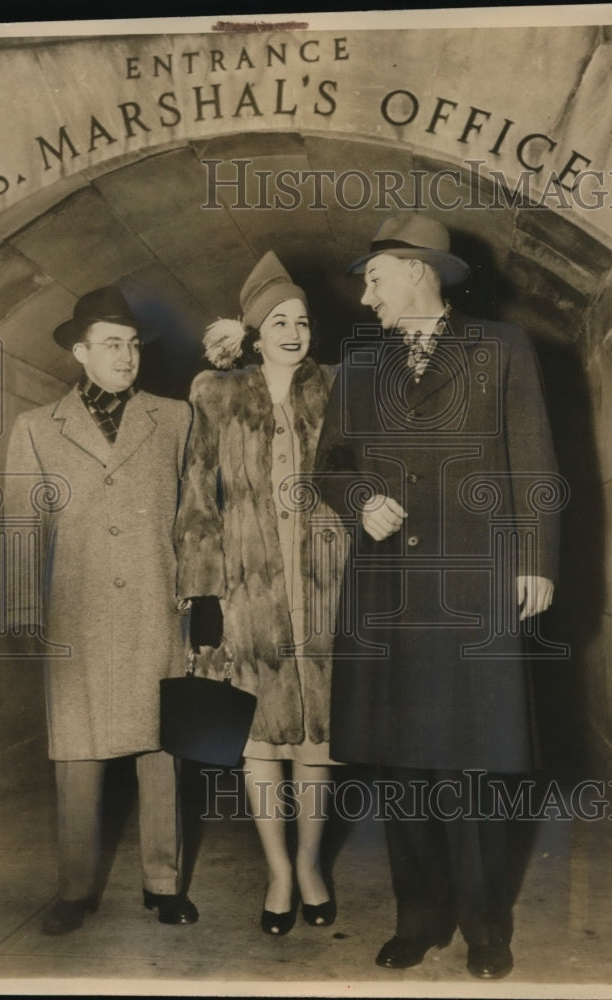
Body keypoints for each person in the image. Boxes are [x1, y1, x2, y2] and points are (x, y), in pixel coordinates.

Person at [313, 213, 563, 978]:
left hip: (473, 585)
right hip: (387, 591)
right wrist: (360, 501)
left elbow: (533, 459)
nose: (366, 297)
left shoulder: (501, 347)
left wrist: (536, 561)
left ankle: (486, 929)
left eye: (374, 279)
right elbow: (329, 465)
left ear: (418, 270)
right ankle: (417, 919)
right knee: (401, 765)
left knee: (472, 765)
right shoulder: (360, 362)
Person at [2, 286, 199, 935]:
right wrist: (23, 610)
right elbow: (20, 528)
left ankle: (164, 882)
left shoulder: (175, 419)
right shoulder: (37, 428)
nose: (126, 355)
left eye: (133, 344)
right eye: (111, 344)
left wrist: (200, 596)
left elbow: (198, 516)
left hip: (154, 606)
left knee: (162, 750)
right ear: (80, 352)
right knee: (77, 754)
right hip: (77, 614)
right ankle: (74, 888)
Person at [175, 252, 345, 936]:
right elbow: (197, 502)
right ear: (252, 331)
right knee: (260, 743)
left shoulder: (336, 388)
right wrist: (205, 598)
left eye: (301, 321)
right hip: (248, 597)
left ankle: (311, 866)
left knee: (317, 742)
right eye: (278, 321)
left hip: (324, 590)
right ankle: (277, 872)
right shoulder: (215, 396)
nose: (293, 332)